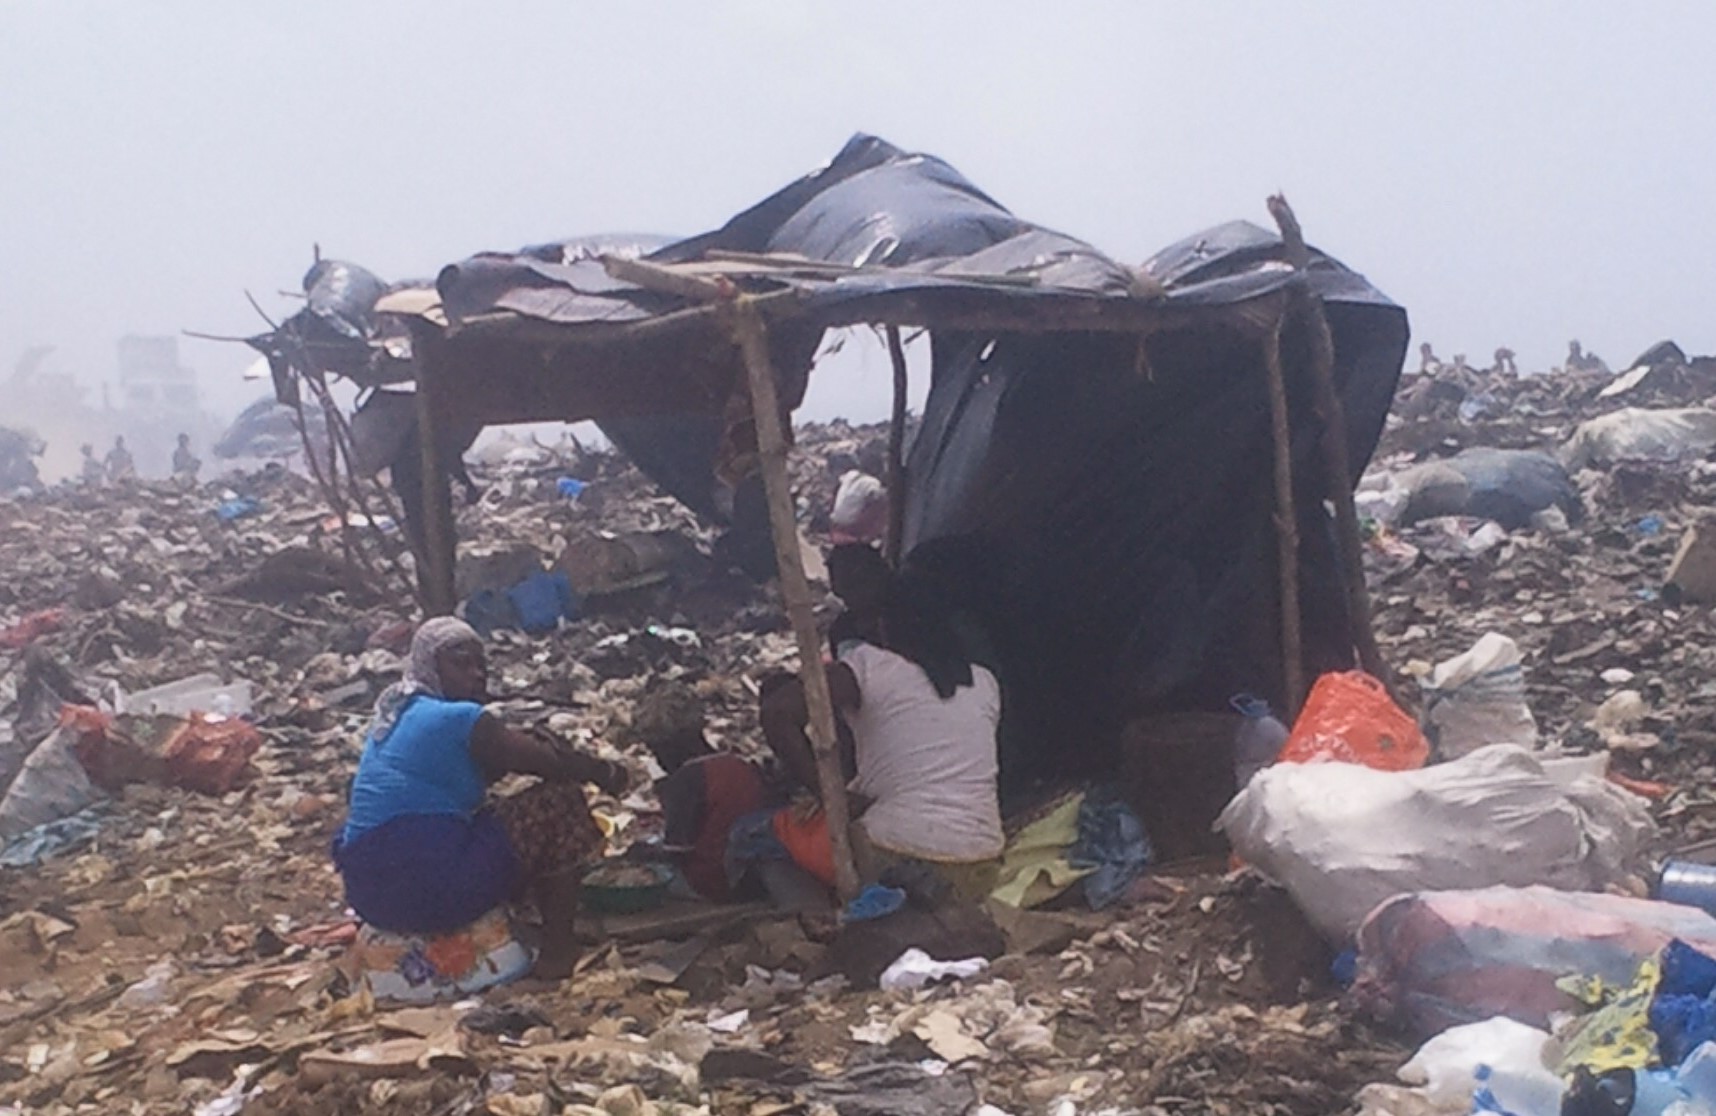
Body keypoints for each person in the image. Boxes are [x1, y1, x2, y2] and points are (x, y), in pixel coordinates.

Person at [333, 617, 626, 978]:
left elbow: (490, 764)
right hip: (428, 887)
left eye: (480, 665)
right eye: (461, 663)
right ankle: (557, 953)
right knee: (560, 802)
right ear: (429, 666)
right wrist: (606, 772)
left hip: (369, 896)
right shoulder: (460, 718)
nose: (476, 675)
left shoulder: (400, 714)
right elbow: (545, 764)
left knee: (494, 818)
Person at [759, 583, 1004, 903]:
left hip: (895, 856)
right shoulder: (985, 682)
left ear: (885, 627)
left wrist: (827, 793)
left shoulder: (869, 666)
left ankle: (822, 923)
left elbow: (777, 712)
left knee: (755, 835)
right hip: (982, 864)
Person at [633, 681, 771, 902]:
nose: (657, 759)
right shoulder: (738, 763)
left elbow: (677, 850)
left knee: (641, 874)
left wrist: (641, 853)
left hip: (713, 882)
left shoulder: (685, 780)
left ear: (671, 745)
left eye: (656, 750)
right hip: (754, 876)